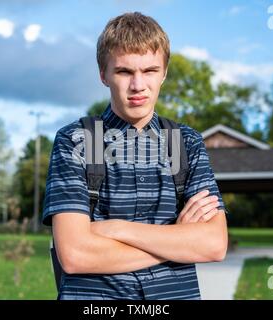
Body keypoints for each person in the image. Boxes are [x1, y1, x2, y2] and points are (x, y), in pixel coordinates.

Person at [42, 11, 228, 300]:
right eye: (124, 72)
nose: (138, 85)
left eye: (150, 71)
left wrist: (114, 229)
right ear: (103, 75)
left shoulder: (186, 143)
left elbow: (213, 245)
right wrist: (177, 240)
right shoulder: (76, 140)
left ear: (164, 73)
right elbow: (75, 254)